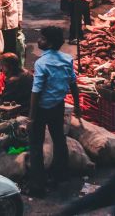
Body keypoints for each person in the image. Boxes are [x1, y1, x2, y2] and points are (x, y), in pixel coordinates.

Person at [28, 26, 80, 197]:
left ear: (49, 43)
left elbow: (36, 91)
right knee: (59, 140)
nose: (39, 40)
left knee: (36, 146)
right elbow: (73, 83)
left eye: (42, 38)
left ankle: (37, 185)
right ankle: (60, 175)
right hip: (58, 106)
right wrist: (78, 106)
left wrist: (31, 118)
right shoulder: (67, 59)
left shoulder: (41, 63)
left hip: (42, 108)